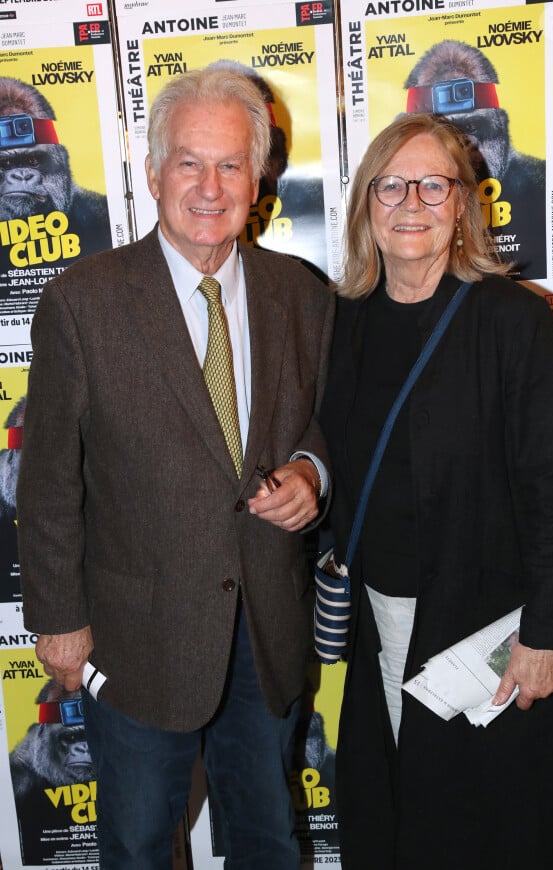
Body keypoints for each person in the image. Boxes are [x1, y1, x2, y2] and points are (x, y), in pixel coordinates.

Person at [16, 66, 334, 870]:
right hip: (135, 642)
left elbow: (330, 423)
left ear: (258, 179)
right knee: (137, 847)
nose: (209, 186)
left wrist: (312, 473)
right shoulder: (82, 303)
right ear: (153, 172)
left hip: (264, 631)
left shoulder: (301, 294)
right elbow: (49, 478)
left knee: (267, 841)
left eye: (231, 164)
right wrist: (57, 619)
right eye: (189, 162)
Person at [319, 112, 553, 869]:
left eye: (434, 186)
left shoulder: (515, 321)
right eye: (391, 185)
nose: (411, 203)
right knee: (391, 813)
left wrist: (547, 636)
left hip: (486, 635)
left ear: (465, 204)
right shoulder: (342, 322)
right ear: (367, 204)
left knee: (485, 826)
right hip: (378, 622)